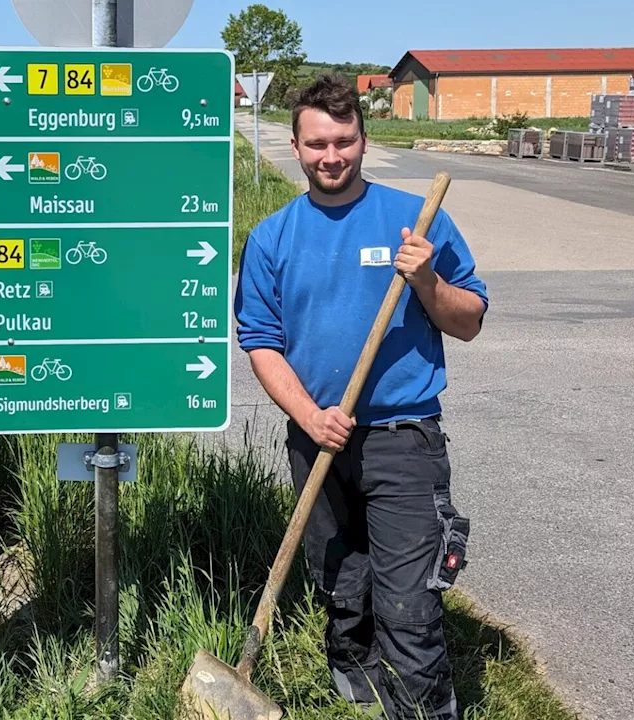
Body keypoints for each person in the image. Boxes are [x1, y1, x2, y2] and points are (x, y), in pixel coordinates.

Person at [233, 74, 488, 719]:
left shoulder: (414, 220)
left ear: (363, 139)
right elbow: (261, 342)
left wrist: (426, 279)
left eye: (344, 141)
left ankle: (423, 711)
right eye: (317, 143)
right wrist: (309, 416)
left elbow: (470, 319)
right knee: (342, 582)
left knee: (409, 603)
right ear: (295, 147)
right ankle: (356, 692)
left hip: (404, 439)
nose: (331, 156)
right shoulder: (272, 237)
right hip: (317, 436)